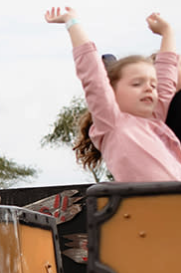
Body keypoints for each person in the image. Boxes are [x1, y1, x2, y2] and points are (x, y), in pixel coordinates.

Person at [46, 7, 181, 181]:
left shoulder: (154, 121)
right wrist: (72, 22)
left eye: (152, 85)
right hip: (151, 203)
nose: (149, 88)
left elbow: (166, 78)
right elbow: (92, 74)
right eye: (136, 84)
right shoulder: (112, 123)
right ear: (112, 91)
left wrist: (167, 32)